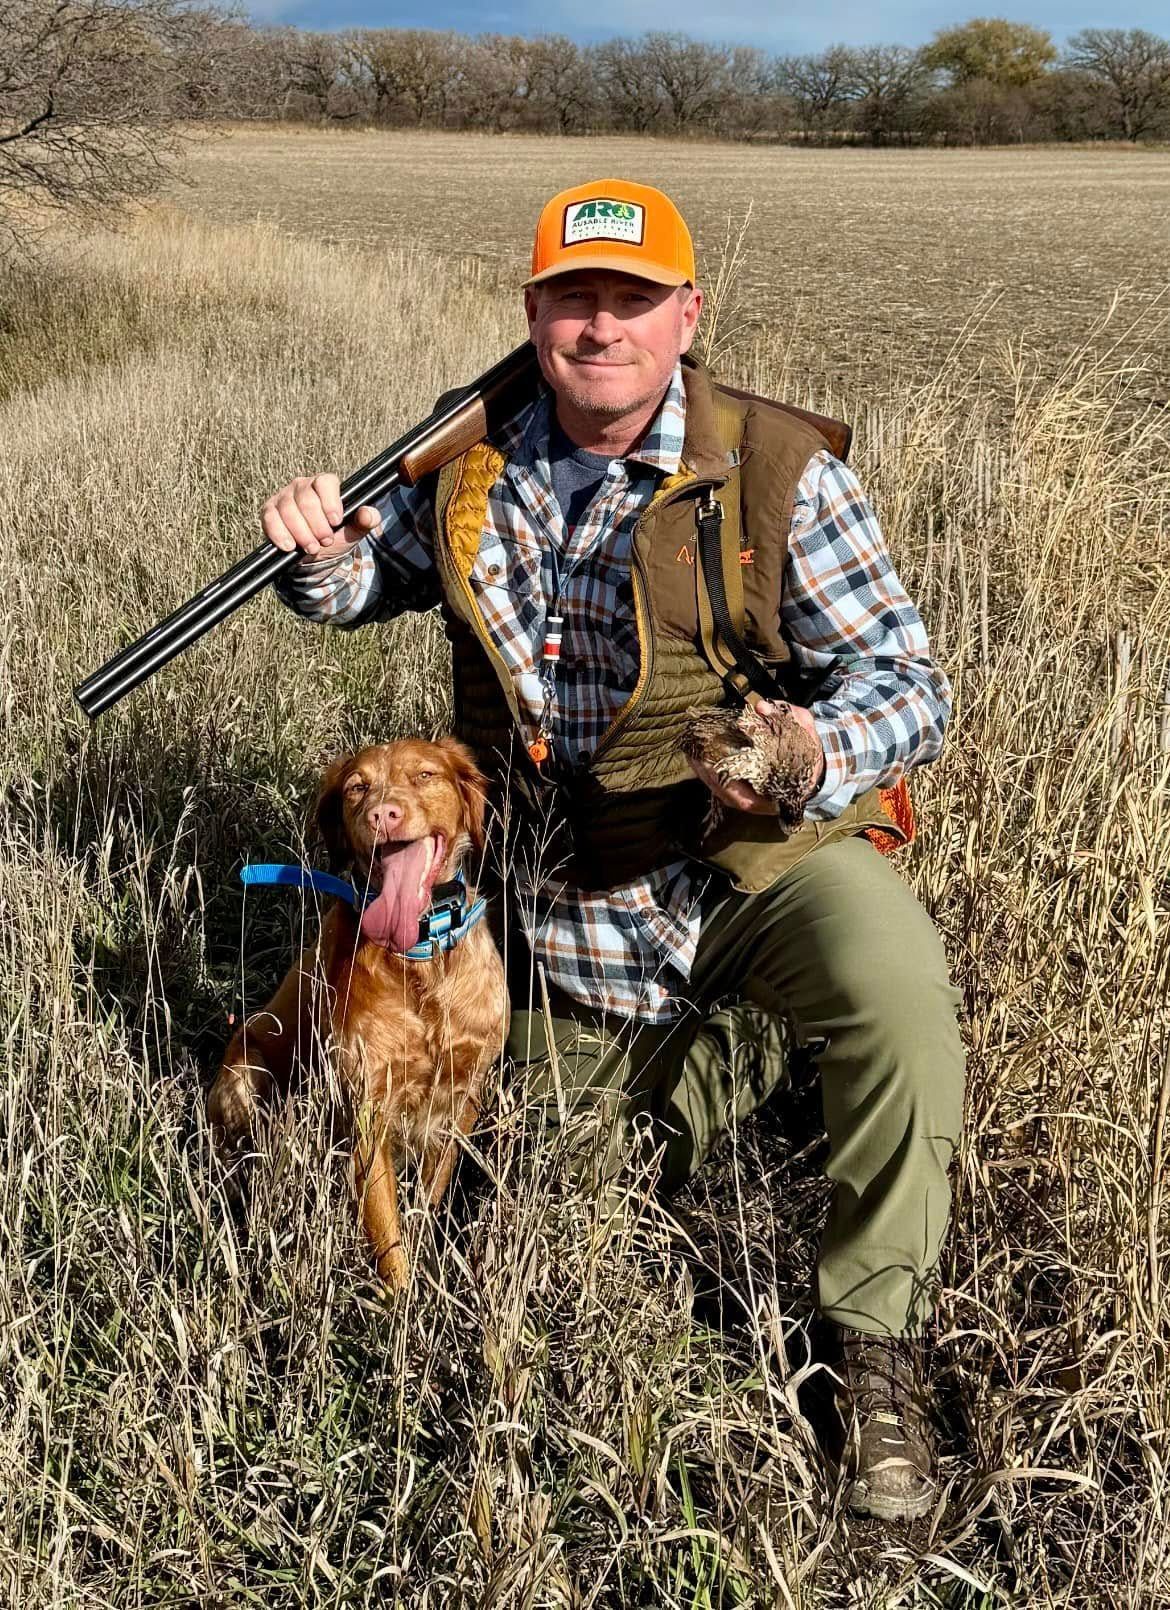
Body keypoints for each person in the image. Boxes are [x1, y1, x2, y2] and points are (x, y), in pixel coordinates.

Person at [262, 178, 966, 1524]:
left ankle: (872, 1347)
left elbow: (911, 685)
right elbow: (367, 582)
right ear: (532, 315)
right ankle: (741, 1060)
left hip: (743, 855)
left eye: (631, 301)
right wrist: (318, 554)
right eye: (572, 300)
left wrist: (810, 752)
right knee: (562, 1182)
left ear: (684, 315)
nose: (600, 329)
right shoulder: (466, 466)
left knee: (894, 988)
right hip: (562, 896)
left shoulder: (775, 467)